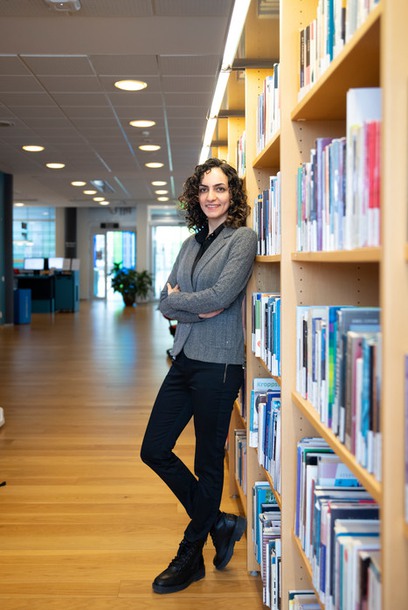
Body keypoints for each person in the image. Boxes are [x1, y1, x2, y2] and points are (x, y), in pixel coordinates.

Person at [140, 157, 257, 594]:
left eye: (221, 188)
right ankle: (220, 521)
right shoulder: (190, 244)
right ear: (196, 196)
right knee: (153, 449)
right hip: (185, 357)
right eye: (205, 189)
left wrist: (185, 300)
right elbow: (163, 301)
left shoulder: (242, 239)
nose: (212, 196)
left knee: (208, 462)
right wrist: (195, 304)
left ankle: (191, 553)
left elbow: (223, 295)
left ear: (232, 194)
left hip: (221, 364)